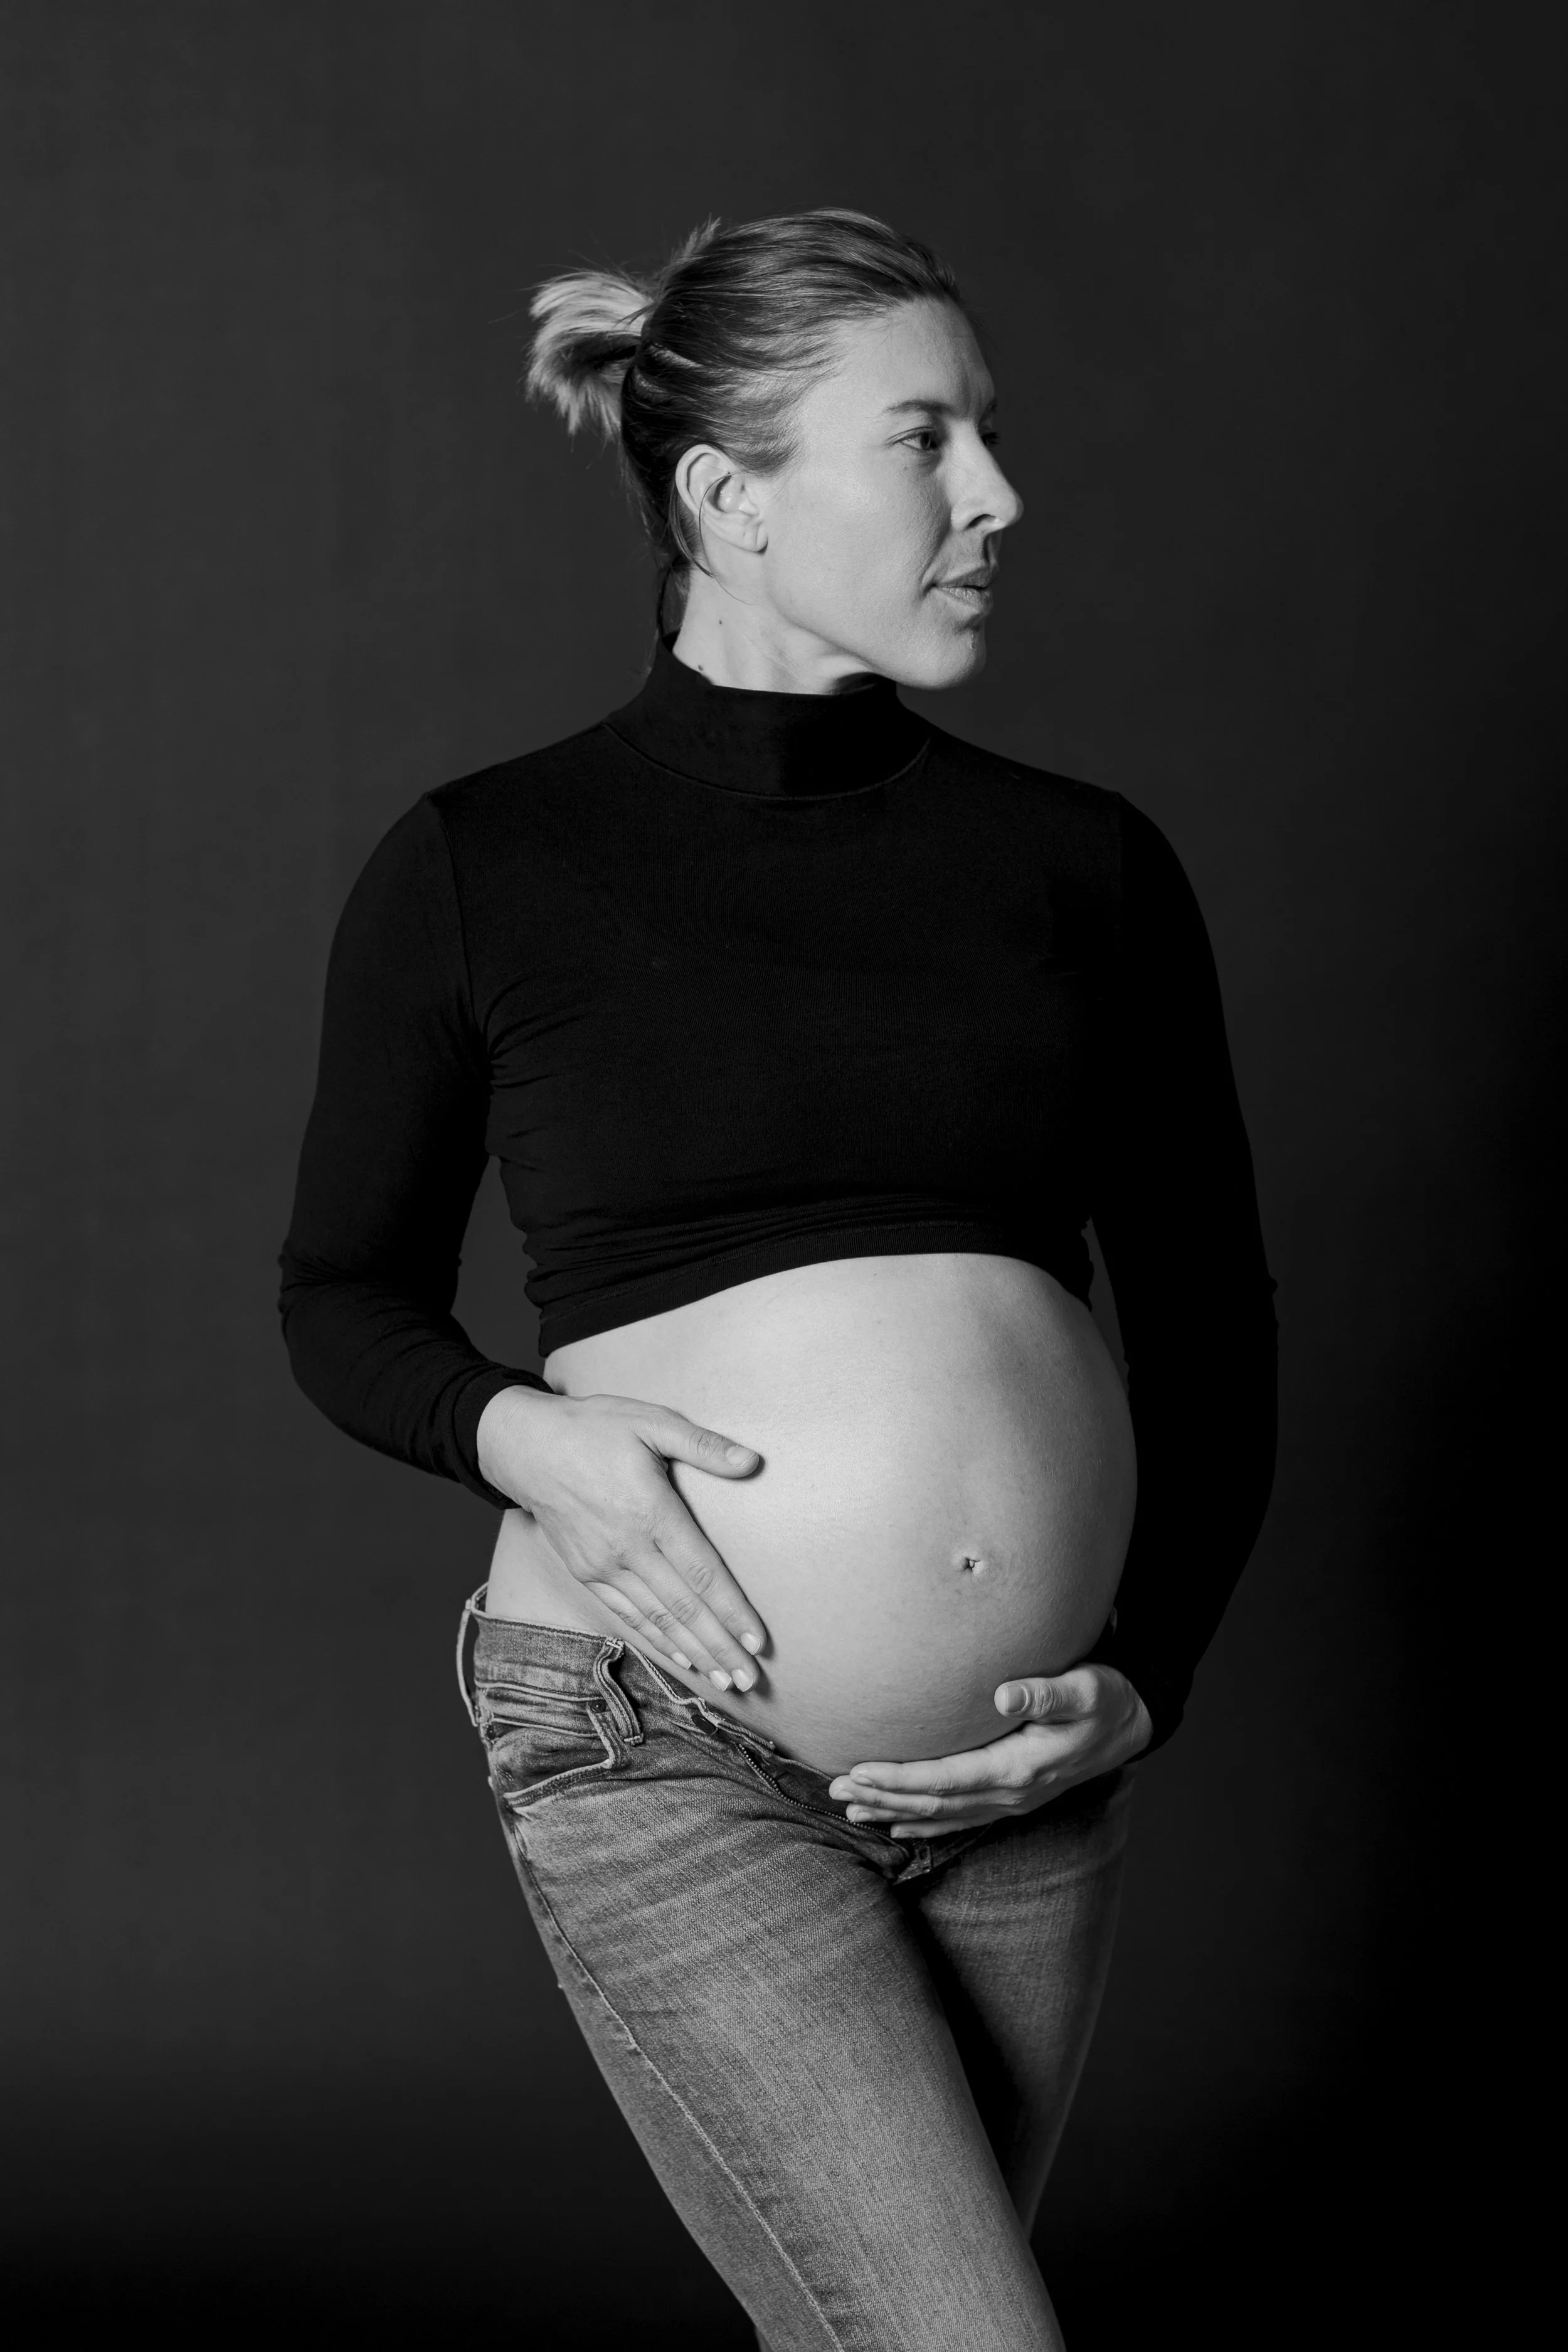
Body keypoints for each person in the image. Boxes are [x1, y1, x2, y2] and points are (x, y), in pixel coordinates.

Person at [278, 208, 1276, 2351]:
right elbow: (339, 1300)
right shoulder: (486, 863)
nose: (997, 497)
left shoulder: (1081, 866)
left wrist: (1149, 1668)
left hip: (1027, 1775)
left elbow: (1215, 1324)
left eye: (984, 435)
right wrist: (523, 1428)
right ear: (729, 498)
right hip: (664, 1738)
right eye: (924, 440)